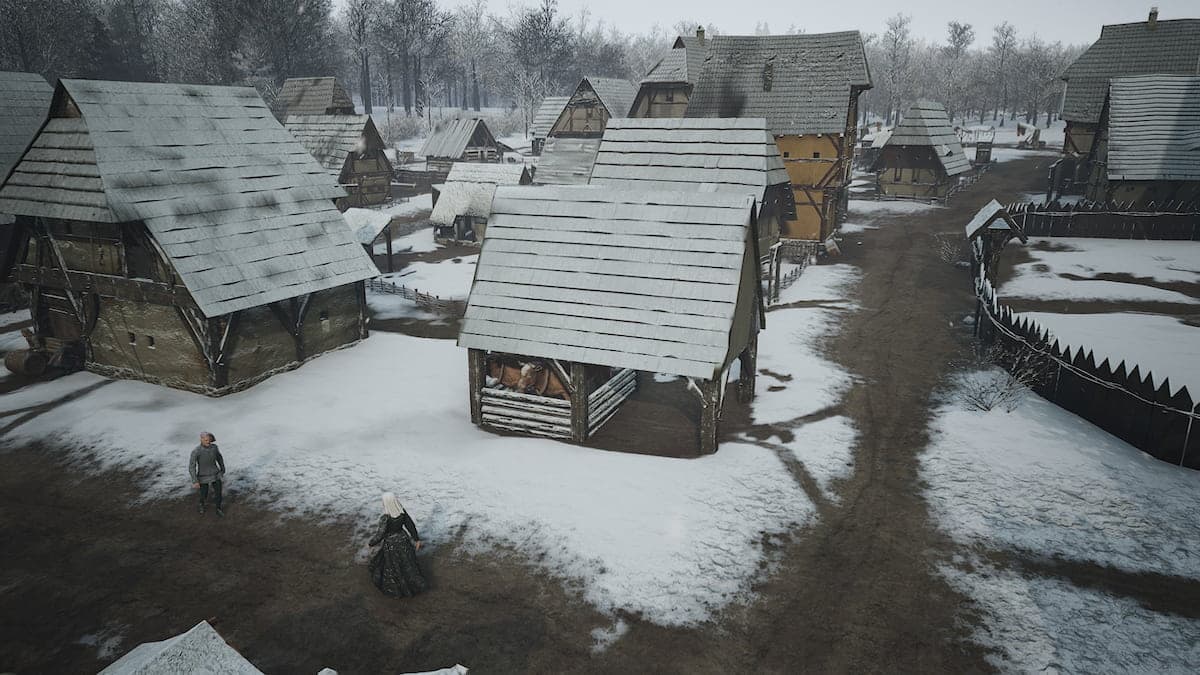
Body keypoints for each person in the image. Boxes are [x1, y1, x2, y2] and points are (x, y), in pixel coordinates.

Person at [368, 493, 428, 597]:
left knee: (393, 566)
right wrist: (416, 539)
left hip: (391, 545)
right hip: (404, 541)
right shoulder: (401, 512)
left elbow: (380, 534)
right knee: (407, 563)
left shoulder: (385, 518)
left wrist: (371, 543)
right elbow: (410, 525)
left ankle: (398, 588)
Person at [189, 432, 226, 516]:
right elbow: (192, 466)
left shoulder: (214, 448)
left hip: (215, 474)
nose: (208, 442)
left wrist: (222, 469)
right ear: (201, 439)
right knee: (204, 493)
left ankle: (218, 508)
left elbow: (219, 458)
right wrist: (195, 480)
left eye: (209, 440)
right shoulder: (196, 451)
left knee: (218, 493)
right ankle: (201, 504)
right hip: (203, 476)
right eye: (206, 440)